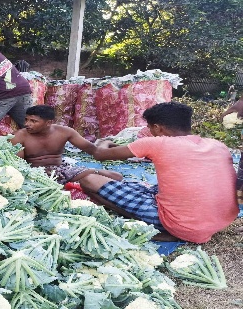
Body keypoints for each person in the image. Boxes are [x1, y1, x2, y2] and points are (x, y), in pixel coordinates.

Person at [79, 102, 238, 243]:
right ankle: (182, 225)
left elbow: (99, 154)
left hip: (184, 225)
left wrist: (104, 142)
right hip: (221, 220)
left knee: (88, 180)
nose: (149, 131)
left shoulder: (156, 143)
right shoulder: (217, 145)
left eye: (149, 128)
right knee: (149, 186)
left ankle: (166, 229)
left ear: (157, 127)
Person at [10, 105, 122, 184]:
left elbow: (93, 150)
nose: (27, 124)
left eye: (33, 121)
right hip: (35, 174)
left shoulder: (65, 132)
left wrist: (116, 150)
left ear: (48, 123)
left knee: (115, 176)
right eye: (26, 120)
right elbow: (19, 166)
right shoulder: (19, 136)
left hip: (61, 170)